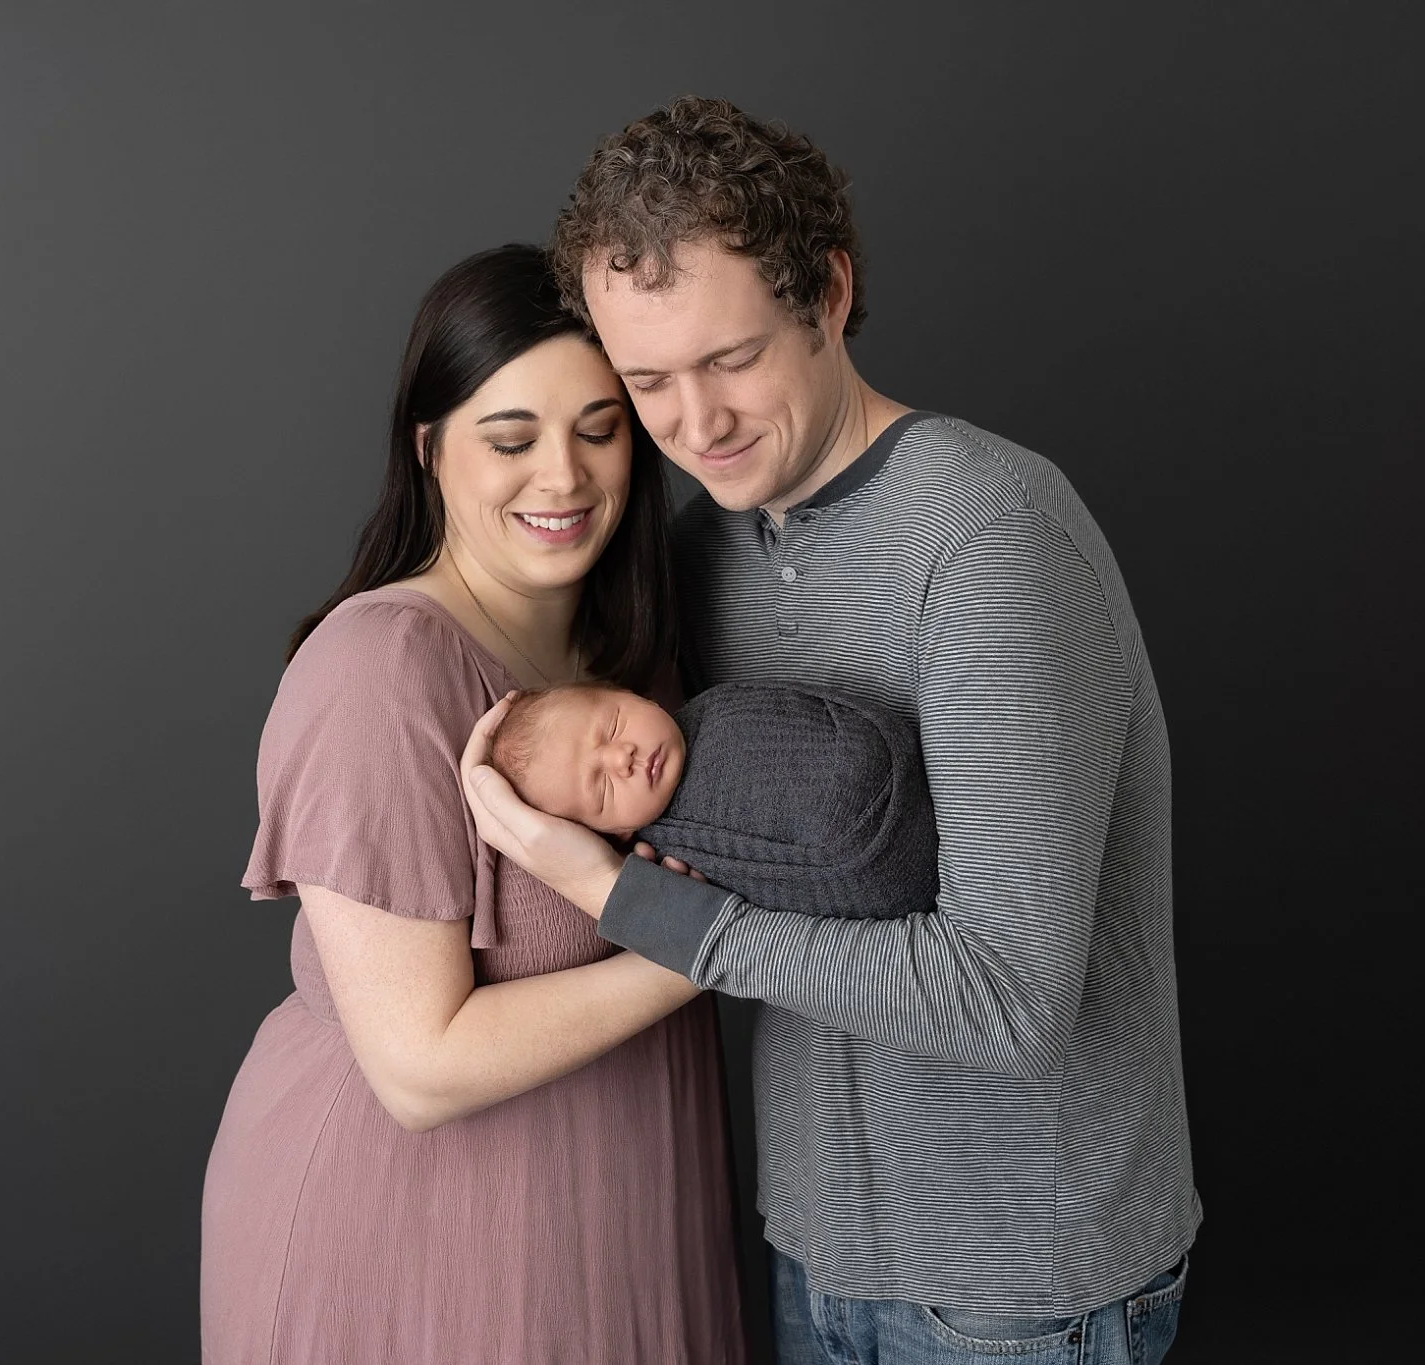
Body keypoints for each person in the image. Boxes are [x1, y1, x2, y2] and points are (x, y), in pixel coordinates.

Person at [460, 99, 1200, 1364]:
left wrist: (634, 906)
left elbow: (1009, 1000)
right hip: (813, 1251)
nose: (695, 424)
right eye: (647, 381)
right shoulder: (695, 555)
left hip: (1017, 1293)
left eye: (731, 357)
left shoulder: (985, 537)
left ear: (830, 295)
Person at [201, 243, 745, 1365]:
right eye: (511, 439)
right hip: (405, 1235)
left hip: (622, 1211)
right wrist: (713, 945)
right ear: (428, 448)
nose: (563, 477)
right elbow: (420, 1067)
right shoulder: (381, 672)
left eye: (599, 429)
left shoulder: (639, 655)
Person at [489, 678, 938, 919]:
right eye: (602, 787)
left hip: (918, 764)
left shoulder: (718, 704)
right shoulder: (671, 864)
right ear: (615, 833)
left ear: (635, 694)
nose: (622, 757)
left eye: (614, 726)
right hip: (886, 881)